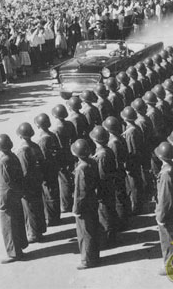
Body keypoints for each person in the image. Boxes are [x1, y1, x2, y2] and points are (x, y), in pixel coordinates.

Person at [0, 134, 28, 264]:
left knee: (8, 225)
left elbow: (8, 181)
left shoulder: (3, 161)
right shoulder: (13, 157)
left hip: (7, 197)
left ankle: (14, 253)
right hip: (15, 194)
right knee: (16, 222)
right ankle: (19, 248)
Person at [155, 142, 173, 276]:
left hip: (168, 210)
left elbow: (165, 198)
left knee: (168, 239)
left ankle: (170, 266)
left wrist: (160, 217)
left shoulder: (166, 174)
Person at [16, 122, 47, 243]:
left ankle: (34, 234)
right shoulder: (35, 146)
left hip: (28, 183)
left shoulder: (23, 150)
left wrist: (21, 186)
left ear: (20, 135)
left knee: (30, 209)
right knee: (38, 206)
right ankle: (40, 230)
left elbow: (24, 171)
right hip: (37, 180)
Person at [72, 139, 100, 269]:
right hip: (92, 200)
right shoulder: (92, 162)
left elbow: (79, 192)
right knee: (93, 229)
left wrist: (76, 209)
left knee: (84, 232)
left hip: (84, 204)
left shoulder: (80, 169)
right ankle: (94, 256)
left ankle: (87, 260)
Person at [103, 116, 131, 229]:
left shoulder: (113, 142)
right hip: (120, 171)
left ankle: (122, 222)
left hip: (117, 172)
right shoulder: (118, 138)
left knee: (119, 197)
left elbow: (114, 160)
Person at [34, 113, 61, 227]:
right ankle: (56, 215)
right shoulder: (52, 135)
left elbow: (43, 157)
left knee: (49, 193)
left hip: (47, 169)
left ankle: (52, 218)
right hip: (54, 166)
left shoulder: (42, 140)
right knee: (54, 191)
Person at [51, 104, 76, 212]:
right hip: (70, 151)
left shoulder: (55, 129)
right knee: (70, 176)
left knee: (63, 180)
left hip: (62, 155)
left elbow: (56, 145)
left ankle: (66, 205)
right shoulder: (70, 124)